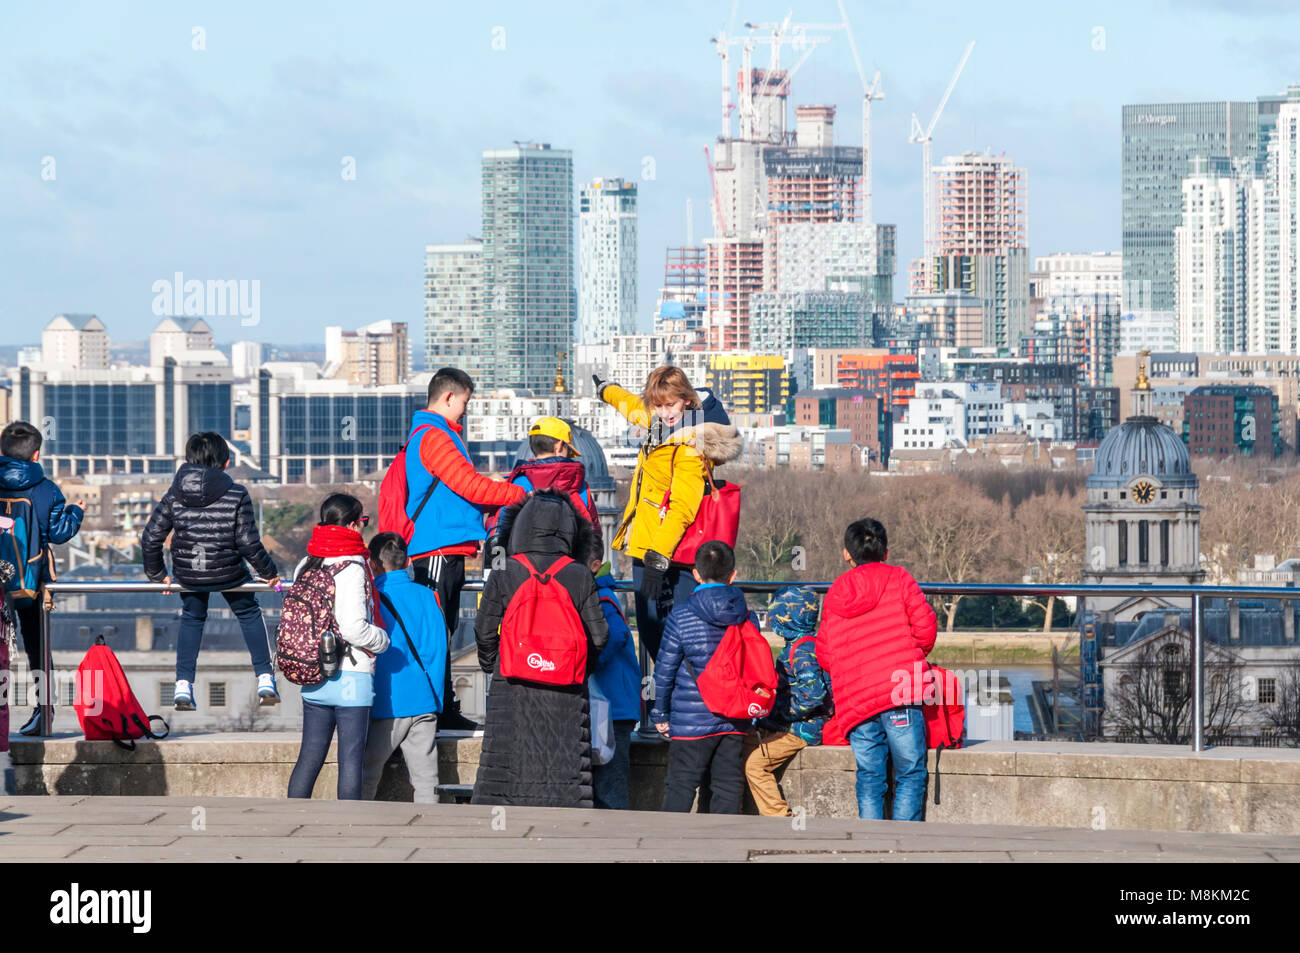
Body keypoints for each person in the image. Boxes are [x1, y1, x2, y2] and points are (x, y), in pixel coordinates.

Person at [405, 367, 526, 731]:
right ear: (448, 397)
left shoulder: (434, 435)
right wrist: (519, 494)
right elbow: (469, 487)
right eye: (465, 402)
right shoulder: (436, 438)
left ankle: (441, 707)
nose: (466, 411)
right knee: (438, 631)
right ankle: (439, 709)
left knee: (441, 629)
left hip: (443, 548)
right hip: (437, 548)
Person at [593, 366, 741, 662]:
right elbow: (634, 408)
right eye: (658, 405)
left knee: (670, 638)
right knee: (653, 635)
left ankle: (676, 702)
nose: (664, 412)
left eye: (670, 404)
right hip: (649, 545)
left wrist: (656, 560)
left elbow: (682, 509)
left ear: (686, 399)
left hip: (671, 553)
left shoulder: (689, 445)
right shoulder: (661, 423)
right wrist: (607, 390)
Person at [471, 491, 608, 808]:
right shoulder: (579, 574)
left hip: (512, 683)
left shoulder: (506, 569)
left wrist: (495, 664)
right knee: (566, 769)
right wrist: (577, 669)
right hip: (567, 687)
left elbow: (483, 629)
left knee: (505, 768)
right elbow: (600, 636)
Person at [141, 432, 281, 711]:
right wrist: (269, 573)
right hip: (229, 572)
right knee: (249, 612)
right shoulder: (236, 493)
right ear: (226, 463)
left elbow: (150, 538)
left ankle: (183, 684)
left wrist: (158, 575)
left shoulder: (174, 494)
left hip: (189, 573)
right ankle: (265, 677)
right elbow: (248, 543)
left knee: (192, 618)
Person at [818, 518, 937, 821]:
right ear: (886, 552)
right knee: (910, 773)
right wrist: (906, 657)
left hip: (856, 698)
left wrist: (852, 672)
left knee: (870, 776)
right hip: (900, 690)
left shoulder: (836, 592)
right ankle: (903, 845)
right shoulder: (899, 578)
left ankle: (868, 845)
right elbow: (925, 630)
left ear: (847, 553)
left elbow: (825, 653)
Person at [287, 494, 390, 801]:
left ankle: (290, 819)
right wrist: (383, 641)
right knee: (351, 761)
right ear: (351, 524)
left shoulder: (307, 561)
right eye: (363, 522)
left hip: (313, 671)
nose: (364, 528)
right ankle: (349, 828)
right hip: (351, 675)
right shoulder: (354, 567)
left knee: (310, 756)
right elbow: (354, 629)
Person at [651, 540, 753, 815]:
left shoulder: (681, 616)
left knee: (681, 785)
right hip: (733, 717)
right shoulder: (745, 615)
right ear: (733, 574)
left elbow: (664, 669)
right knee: (728, 785)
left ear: (695, 573)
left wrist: (660, 714)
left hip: (689, 719)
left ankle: (668, 848)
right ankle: (723, 847)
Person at [0, 421, 85, 735]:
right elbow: (59, 534)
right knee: (37, 644)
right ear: (36, 455)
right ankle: (43, 712)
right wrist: (76, 512)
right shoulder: (46, 489)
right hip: (31, 580)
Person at [362, 531, 446, 804]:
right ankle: (431, 832)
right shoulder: (429, 596)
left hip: (385, 703)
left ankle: (354, 828)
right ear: (409, 561)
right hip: (423, 699)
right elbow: (437, 651)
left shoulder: (371, 597)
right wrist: (435, 700)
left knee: (366, 775)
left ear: (372, 564)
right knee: (427, 780)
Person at [742, 586, 830, 816]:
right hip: (787, 723)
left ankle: (779, 817)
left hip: (802, 728)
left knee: (755, 766)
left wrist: (780, 713)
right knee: (741, 748)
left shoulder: (803, 650)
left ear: (786, 618)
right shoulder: (801, 645)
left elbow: (812, 695)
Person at [487, 416, 601, 545]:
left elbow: (498, 532)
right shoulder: (579, 486)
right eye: (567, 451)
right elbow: (594, 534)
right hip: (568, 561)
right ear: (559, 446)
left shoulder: (514, 484)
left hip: (521, 561)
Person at [588, 554, 641, 810]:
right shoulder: (604, 593)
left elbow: (615, 635)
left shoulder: (600, 597)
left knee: (610, 782)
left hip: (611, 708)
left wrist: (588, 664)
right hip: (613, 705)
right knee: (607, 780)